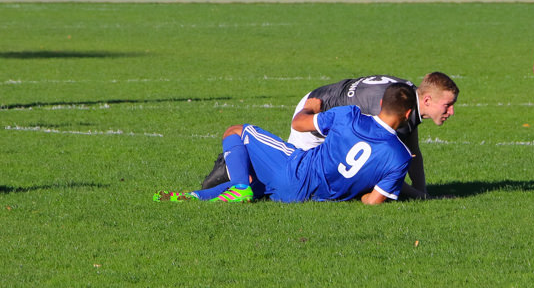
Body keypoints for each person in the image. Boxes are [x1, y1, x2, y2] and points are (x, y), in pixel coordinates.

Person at [200, 72, 459, 199]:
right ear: (426, 100)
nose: (451, 112)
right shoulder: (377, 110)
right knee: (296, 175)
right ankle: (234, 173)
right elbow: (378, 163)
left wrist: (422, 193)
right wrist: (412, 193)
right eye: (447, 105)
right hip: (317, 109)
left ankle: (248, 183)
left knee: (304, 181)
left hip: (336, 116)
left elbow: (412, 151)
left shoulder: (404, 100)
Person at [154, 83, 416, 204]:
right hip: (307, 197)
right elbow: (372, 202)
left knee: (235, 131)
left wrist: (310, 108)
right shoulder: (400, 157)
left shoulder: (349, 115)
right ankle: (189, 198)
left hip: (295, 170)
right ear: (407, 115)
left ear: (381, 103)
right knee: (259, 183)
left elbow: (299, 124)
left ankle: (240, 184)